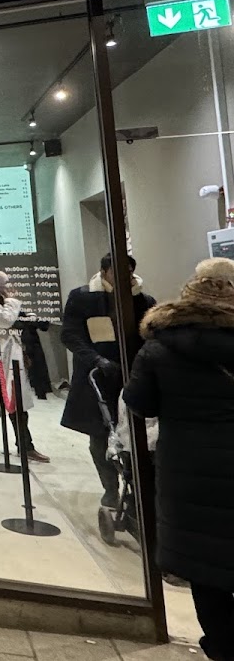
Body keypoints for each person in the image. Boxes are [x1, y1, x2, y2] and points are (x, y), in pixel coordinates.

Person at [123, 258, 234, 661]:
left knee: (207, 569)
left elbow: (140, 403)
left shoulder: (159, 346)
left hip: (189, 468)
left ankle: (222, 646)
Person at [61, 254, 156, 507]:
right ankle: (110, 488)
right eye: (117, 272)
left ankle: (138, 490)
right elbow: (70, 334)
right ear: (104, 272)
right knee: (99, 435)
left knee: (140, 435)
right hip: (98, 377)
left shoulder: (144, 301)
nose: (125, 278)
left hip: (134, 378)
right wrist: (96, 359)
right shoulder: (82, 297)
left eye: (129, 272)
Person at [0, 270, 50, 462]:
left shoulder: (1, 300)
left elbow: (16, 318)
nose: (9, 287)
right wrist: (13, 301)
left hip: (12, 353)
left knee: (17, 401)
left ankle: (25, 446)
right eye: (5, 283)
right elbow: (5, 320)